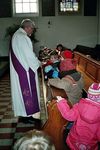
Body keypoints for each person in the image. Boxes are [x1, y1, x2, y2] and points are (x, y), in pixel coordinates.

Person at [9, 19, 41, 124]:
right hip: (25, 70)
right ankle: (28, 115)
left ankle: (25, 115)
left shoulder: (16, 35)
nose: (32, 32)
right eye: (32, 29)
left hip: (20, 70)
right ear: (27, 27)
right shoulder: (22, 37)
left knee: (21, 93)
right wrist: (38, 63)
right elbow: (29, 55)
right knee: (27, 93)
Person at [56, 83, 100, 150]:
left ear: (89, 95)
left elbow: (68, 115)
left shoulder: (79, 105)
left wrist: (61, 102)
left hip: (74, 140)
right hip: (89, 145)